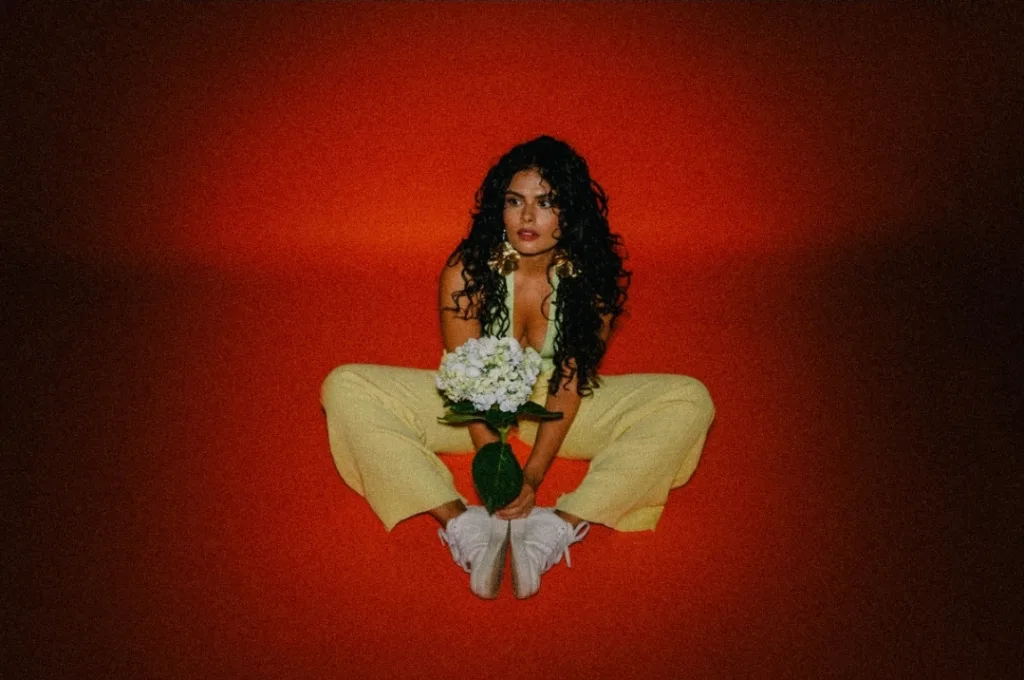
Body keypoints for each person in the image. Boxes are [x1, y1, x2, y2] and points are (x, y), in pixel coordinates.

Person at [321, 136, 714, 599]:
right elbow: (465, 383)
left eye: (545, 202)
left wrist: (530, 478)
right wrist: (496, 476)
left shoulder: (591, 280)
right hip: (475, 410)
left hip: (557, 409)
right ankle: (460, 521)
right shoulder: (467, 272)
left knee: (689, 399)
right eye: (515, 201)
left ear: (571, 212)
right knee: (345, 385)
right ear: (500, 208)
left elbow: (569, 383)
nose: (527, 217)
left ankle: (555, 526)